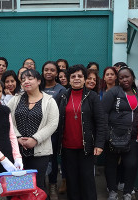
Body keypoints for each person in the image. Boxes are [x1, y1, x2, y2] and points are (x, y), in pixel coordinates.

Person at [55, 65, 107, 200]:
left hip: (87, 148)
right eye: (73, 76)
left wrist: (99, 144)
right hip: (67, 148)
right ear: (68, 79)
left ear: (84, 79)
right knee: (72, 181)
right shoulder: (63, 96)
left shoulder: (93, 96)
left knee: (87, 180)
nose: (76, 79)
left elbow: (101, 122)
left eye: (80, 76)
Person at [7, 69, 59, 196]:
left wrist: (35, 139)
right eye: (23, 79)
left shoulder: (49, 101)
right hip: (17, 150)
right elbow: (7, 120)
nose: (26, 81)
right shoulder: (15, 99)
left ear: (39, 81)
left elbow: (53, 124)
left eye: (30, 78)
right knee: (16, 186)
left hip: (40, 151)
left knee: (37, 186)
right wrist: (17, 137)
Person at [102, 67, 138, 200]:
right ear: (118, 80)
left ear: (132, 77)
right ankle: (112, 191)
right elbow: (103, 113)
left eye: (127, 77)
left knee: (131, 165)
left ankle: (127, 192)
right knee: (111, 164)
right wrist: (107, 134)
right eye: (121, 77)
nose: (125, 79)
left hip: (131, 136)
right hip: (113, 136)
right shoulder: (113, 92)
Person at [41, 61, 66, 198]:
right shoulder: (38, 87)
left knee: (52, 159)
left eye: (52, 70)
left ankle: (52, 186)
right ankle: (39, 187)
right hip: (37, 131)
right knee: (38, 159)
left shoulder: (61, 90)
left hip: (53, 132)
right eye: (46, 69)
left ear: (57, 73)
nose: (49, 72)